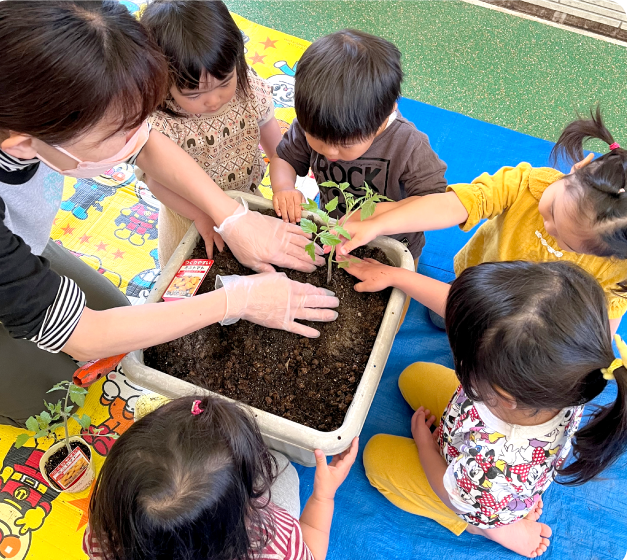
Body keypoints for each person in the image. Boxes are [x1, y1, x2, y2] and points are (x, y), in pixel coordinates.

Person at [0, 0, 336, 427]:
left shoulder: (34, 37)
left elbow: (151, 143)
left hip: (15, 240)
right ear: (23, 144)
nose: (139, 139)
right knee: (47, 404)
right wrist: (239, 299)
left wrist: (230, 216)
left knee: (119, 316)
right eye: (117, 133)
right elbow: (86, 334)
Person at [361, 260, 627, 558]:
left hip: (477, 494)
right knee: (412, 375)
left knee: (376, 456)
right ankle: (507, 509)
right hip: (478, 439)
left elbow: (451, 493)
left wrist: (426, 446)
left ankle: (490, 528)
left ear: (499, 390)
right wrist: (398, 276)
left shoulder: (490, 473)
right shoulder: (567, 375)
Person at [339, 107, 627, 333]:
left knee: (481, 339)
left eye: (567, 241)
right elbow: (457, 204)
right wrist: (379, 223)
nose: (549, 229)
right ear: (580, 166)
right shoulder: (525, 185)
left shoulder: (617, 271)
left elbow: (599, 327)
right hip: (474, 284)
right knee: (447, 317)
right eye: (551, 210)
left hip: (526, 323)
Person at [85, 395, 359, 560]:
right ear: (244, 514)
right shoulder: (273, 543)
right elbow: (312, 556)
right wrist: (324, 495)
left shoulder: (105, 536)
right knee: (284, 469)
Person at [270, 29, 448, 263]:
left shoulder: (408, 145)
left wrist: (379, 220)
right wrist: (284, 187)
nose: (330, 152)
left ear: (384, 117)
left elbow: (435, 202)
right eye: (318, 139)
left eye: (345, 145)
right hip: (335, 231)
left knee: (397, 284)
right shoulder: (313, 121)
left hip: (393, 243)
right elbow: (284, 159)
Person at [140, 0, 284, 267]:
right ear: (162, 81)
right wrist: (199, 215)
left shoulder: (250, 90)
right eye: (193, 94)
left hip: (246, 198)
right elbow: (156, 181)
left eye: (225, 82)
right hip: (187, 214)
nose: (213, 100)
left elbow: (279, 151)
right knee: (183, 268)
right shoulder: (159, 123)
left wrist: (282, 189)